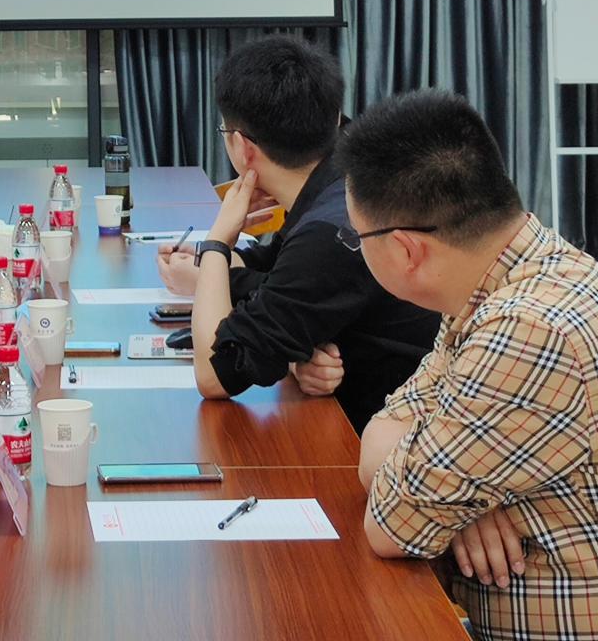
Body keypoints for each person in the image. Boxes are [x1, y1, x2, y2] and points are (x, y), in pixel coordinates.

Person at [343, 90, 598, 641]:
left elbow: (389, 525)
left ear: (405, 250)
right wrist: (463, 500)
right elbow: (387, 429)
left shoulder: (529, 327)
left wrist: (446, 496)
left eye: (356, 237)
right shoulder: (509, 273)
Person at [154, 37, 436, 426]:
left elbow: (214, 375)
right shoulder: (344, 180)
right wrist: (213, 267)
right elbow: (282, 273)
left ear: (243, 147)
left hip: (383, 432)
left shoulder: (331, 230)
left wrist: (218, 243)